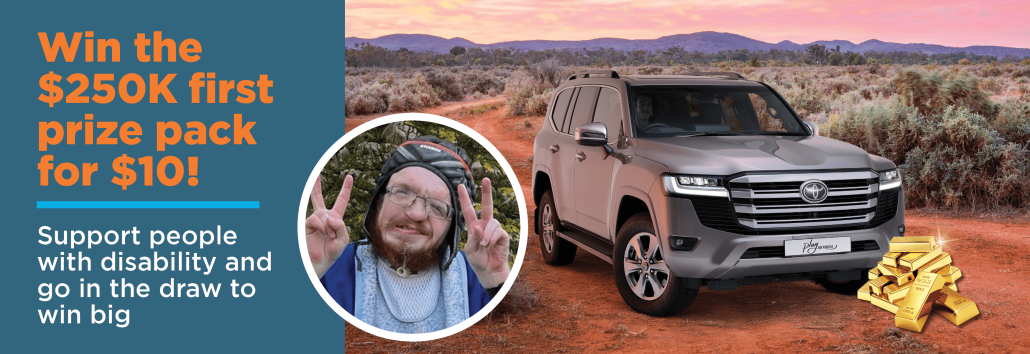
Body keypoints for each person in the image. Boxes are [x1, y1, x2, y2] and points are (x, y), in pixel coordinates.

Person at [306, 136, 511, 334]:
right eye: (402, 193)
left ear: (452, 229)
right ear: (379, 200)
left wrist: (497, 282)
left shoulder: (476, 280)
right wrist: (310, 268)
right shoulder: (333, 269)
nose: (416, 213)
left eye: (437, 207)